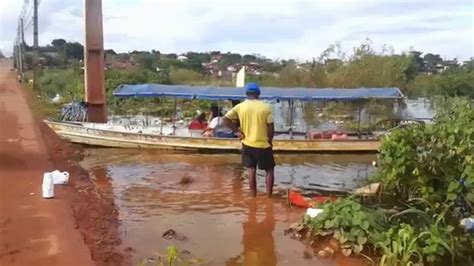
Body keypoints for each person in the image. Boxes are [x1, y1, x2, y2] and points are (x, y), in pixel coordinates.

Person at [224, 83, 275, 197]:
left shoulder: (240, 107)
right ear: (258, 94)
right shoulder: (266, 107)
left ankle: (253, 197)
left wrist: (237, 132)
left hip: (247, 144)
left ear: (247, 94)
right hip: (263, 144)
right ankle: (269, 197)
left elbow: (226, 119)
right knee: (269, 171)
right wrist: (270, 141)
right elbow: (270, 127)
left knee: (251, 171)